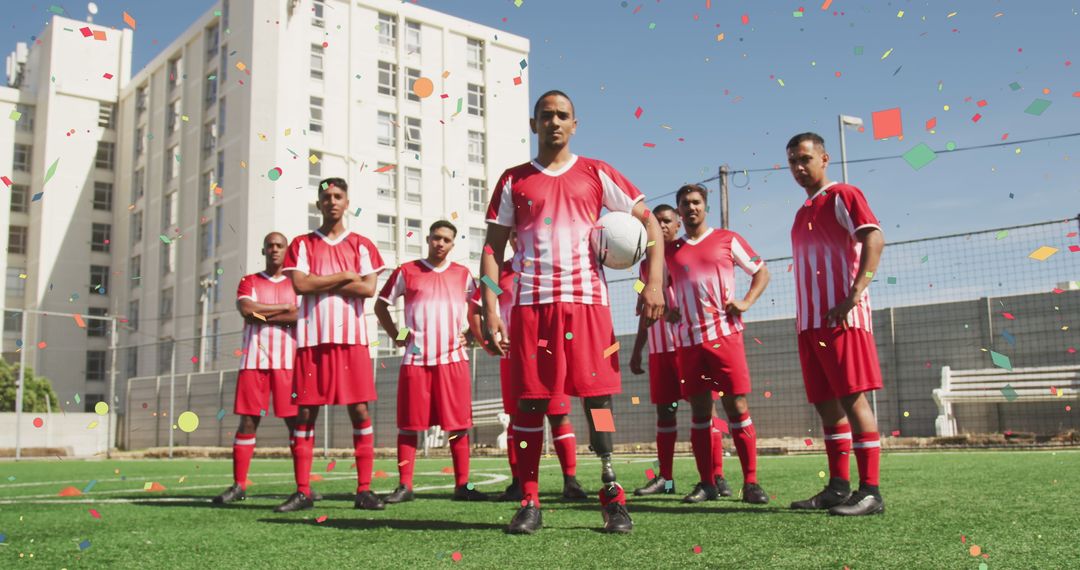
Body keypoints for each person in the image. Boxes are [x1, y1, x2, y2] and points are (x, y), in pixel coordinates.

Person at [480, 90, 666, 535]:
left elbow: (650, 223)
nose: (555, 122)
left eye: (563, 115)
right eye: (546, 115)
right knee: (529, 403)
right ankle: (528, 499)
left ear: (575, 124)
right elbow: (492, 247)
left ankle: (611, 493)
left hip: (588, 306)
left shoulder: (597, 173)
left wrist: (651, 283)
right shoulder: (514, 180)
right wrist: (490, 305)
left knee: (597, 401)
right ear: (534, 124)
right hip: (531, 307)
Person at [786, 132, 886, 516]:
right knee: (827, 406)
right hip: (810, 324)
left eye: (805, 159)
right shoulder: (801, 213)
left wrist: (855, 293)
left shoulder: (844, 194)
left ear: (824, 158)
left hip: (842, 318)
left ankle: (871, 491)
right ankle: (838, 487)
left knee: (853, 398)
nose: (798, 167)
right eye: (793, 161)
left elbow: (874, 238)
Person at [275, 177, 386, 513]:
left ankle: (364, 489)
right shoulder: (302, 244)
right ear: (319, 203)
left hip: (351, 340)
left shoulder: (363, 244)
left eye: (338, 196)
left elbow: (368, 290)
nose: (332, 201)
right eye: (326, 197)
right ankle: (303, 490)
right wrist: (344, 276)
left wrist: (322, 283)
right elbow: (300, 284)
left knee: (359, 411)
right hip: (311, 340)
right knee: (306, 412)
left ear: (347, 202)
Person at [664, 184, 771, 505]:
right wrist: (660, 305)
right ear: (679, 213)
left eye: (696, 202)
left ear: (704, 207)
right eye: (685, 204)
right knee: (699, 412)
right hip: (688, 342)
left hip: (725, 336)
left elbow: (761, 270)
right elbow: (644, 281)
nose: (691, 208)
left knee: (736, 408)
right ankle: (707, 482)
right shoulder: (670, 251)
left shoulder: (728, 239)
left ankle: (750, 483)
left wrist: (747, 301)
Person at [466, 229, 588, 502]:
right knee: (517, 420)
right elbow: (475, 309)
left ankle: (571, 481)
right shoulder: (501, 274)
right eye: (513, 234)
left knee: (559, 415)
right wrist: (486, 341)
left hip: (549, 352)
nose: (518, 238)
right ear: (510, 240)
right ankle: (519, 481)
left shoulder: (550, 271)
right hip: (514, 359)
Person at [373, 220, 488, 503]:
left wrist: (471, 337)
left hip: (453, 360)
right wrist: (400, 335)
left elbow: (478, 310)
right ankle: (404, 486)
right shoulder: (407, 271)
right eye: (436, 238)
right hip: (416, 359)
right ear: (428, 239)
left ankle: (462, 486)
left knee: (458, 425)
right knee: (409, 425)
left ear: (452, 244)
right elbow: (381, 305)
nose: (440, 243)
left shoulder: (463, 274)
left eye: (446, 240)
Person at [629, 204, 726, 498]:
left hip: (689, 346)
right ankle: (666, 479)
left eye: (667, 221)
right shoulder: (645, 266)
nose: (662, 226)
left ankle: (716, 476)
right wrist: (637, 351)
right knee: (665, 413)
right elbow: (643, 308)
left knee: (707, 412)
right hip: (660, 351)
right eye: (656, 222)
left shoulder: (688, 253)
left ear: (678, 223)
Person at [213, 232, 301, 505]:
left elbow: (298, 316)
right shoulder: (249, 280)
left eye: (279, 246)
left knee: (295, 423)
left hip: (288, 362)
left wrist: (266, 314)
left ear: (286, 251)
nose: (274, 249)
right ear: (263, 250)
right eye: (270, 246)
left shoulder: (296, 283)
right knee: (248, 420)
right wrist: (281, 309)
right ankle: (239, 485)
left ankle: (303, 487)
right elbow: (247, 311)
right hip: (254, 361)